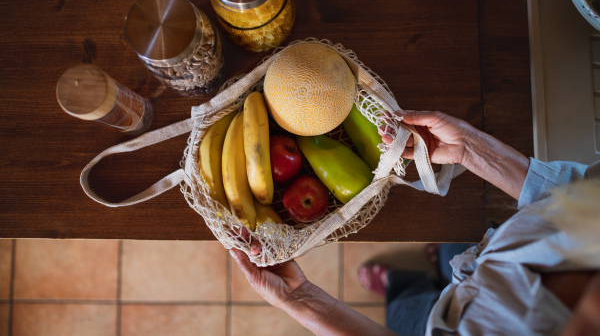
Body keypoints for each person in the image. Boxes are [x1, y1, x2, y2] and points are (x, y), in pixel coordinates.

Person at [229, 110, 600, 336]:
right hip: (486, 254)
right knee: (456, 248)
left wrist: (301, 298)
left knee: (407, 312)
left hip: (437, 321)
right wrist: (469, 148)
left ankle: (400, 285)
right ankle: (440, 262)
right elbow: (577, 191)